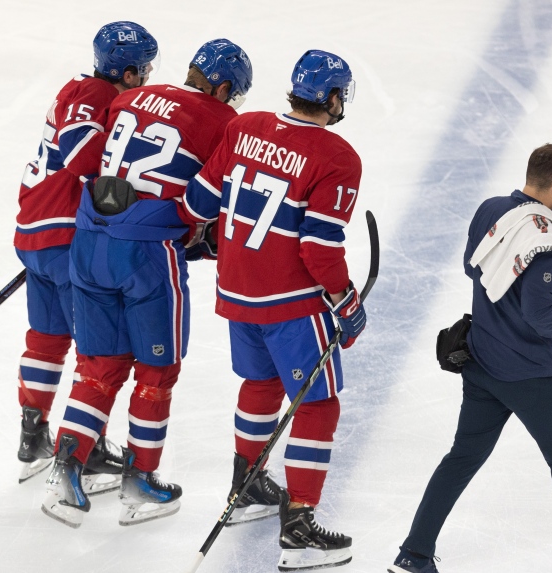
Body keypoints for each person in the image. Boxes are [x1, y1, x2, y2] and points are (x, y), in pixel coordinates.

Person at [387, 144, 552, 573]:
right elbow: (540, 315)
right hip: (531, 376)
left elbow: (476, 270)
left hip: (482, 364)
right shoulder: (543, 239)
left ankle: (413, 554)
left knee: (461, 457)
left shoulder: (490, 210)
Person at [40, 38, 254, 529]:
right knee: (157, 372)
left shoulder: (132, 96)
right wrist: (187, 228)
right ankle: (140, 482)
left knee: (97, 365)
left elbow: (92, 162)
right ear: (223, 87)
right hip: (147, 256)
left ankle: (64, 473)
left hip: (89, 244)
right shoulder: (225, 122)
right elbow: (202, 200)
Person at [180, 50, 366, 572]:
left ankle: (245, 486)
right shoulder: (338, 156)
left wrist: (205, 237)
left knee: (259, 384)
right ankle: (300, 527)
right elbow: (319, 247)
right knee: (317, 405)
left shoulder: (247, 126)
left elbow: (198, 200)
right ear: (332, 98)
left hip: (237, 293)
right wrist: (345, 300)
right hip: (292, 303)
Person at [13, 21, 159, 492]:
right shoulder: (95, 94)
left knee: (46, 336)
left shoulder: (78, 87)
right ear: (131, 71)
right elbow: (81, 154)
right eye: (146, 68)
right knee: (99, 351)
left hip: (34, 229)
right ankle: (86, 450)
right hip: (62, 236)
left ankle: (32, 437)